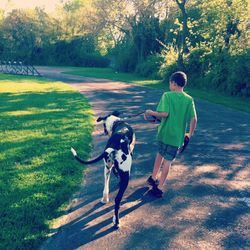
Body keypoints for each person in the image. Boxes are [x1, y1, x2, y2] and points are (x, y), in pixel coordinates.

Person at [144, 71, 197, 197]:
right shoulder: (189, 100)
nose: (169, 86)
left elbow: (164, 114)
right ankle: (159, 186)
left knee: (160, 154)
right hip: (177, 137)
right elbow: (194, 119)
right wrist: (189, 134)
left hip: (164, 134)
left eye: (170, 83)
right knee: (168, 160)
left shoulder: (167, 96)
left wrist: (151, 112)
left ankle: (154, 178)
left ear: (173, 83)